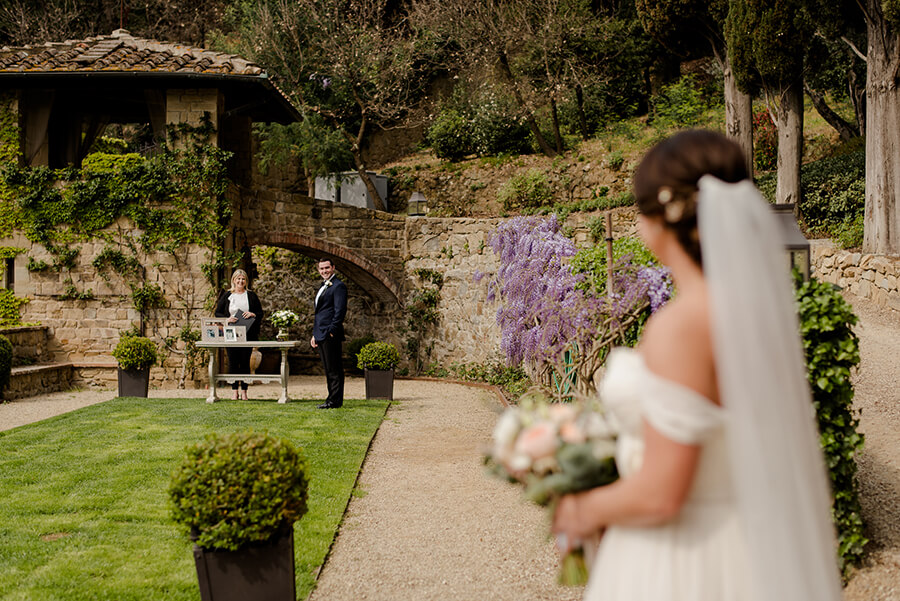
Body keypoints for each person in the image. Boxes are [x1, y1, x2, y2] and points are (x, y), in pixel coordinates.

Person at [551, 130, 842, 601]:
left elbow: (662, 493)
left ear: (656, 220)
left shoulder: (683, 325)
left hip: (683, 559)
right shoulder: (757, 314)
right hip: (746, 544)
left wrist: (580, 506)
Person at [214, 269, 263, 400]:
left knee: (245, 362)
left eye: (243, 279)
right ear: (233, 280)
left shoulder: (251, 296)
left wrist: (252, 314)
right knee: (232, 362)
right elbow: (217, 313)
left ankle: (245, 392)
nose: (241, 281)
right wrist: (227, 319)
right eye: (238, 279)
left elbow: (260, 313)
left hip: (247, 333)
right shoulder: (227, 295)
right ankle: (234, 391)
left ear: (246, 281)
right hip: (231, 332)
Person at [310, 258, 347, 409]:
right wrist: (314, 334)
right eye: (321, 269)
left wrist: (332, 330)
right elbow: (320, 313)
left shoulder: (338, 286)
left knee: (334, 369)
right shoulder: (324, 286)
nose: (324, 271)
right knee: (328, 368)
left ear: (333, 268)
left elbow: (340, 311)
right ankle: (332, 398)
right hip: (321, 333)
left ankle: (334, 401)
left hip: (330, 333)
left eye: (327, 268)